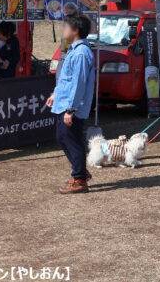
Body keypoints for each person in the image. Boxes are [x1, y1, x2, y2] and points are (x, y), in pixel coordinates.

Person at [45, 14, 95, 194]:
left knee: (72, 141)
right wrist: (55, 94)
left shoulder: (81, 53)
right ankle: (80, 169)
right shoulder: (73, 50)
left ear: (75, 30)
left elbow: (78, 83)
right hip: (64, 102)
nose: (63, 29)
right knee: (62, 137)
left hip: (72, 106)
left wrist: (71, 109)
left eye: (66, 26)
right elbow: (65, 79)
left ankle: (80, 178)